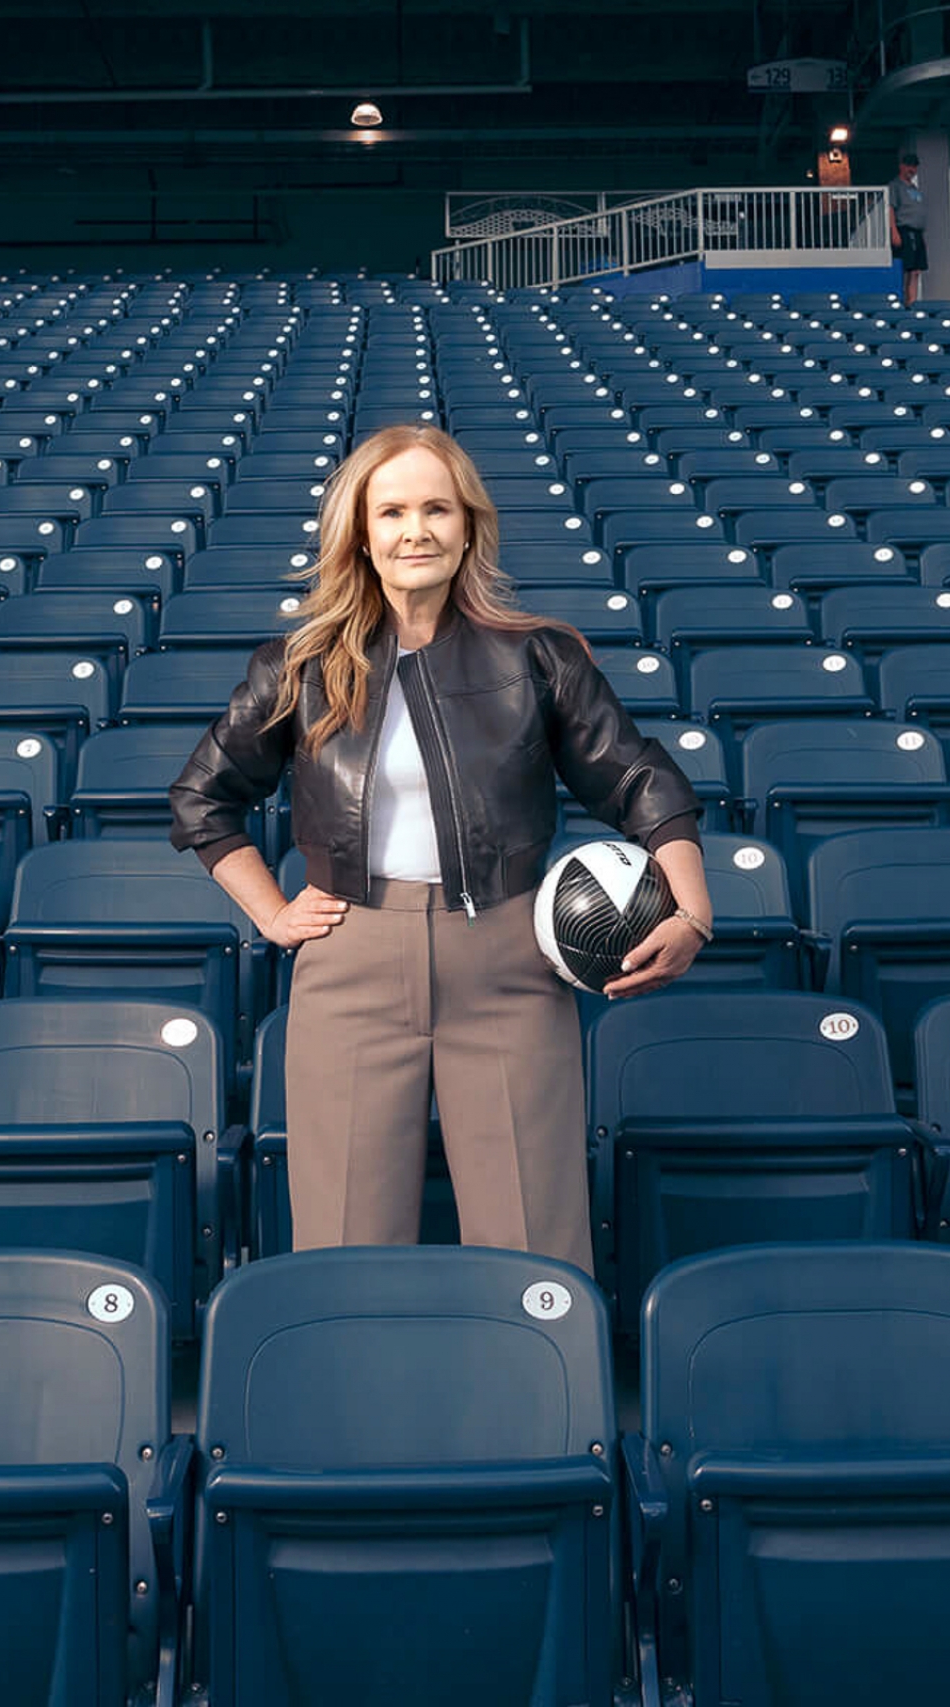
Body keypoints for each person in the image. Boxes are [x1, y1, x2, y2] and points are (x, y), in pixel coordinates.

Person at [168, 425, 711, 1271]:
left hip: (509, 962)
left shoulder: (540, 654)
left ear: (467, 527)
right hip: (351, 961)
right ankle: (360, 1404)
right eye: (392, 510)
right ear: (361, 531)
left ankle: (542, 1404)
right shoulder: (299, 663)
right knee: (345, 1243)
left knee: (535, 1240)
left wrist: (693, 911)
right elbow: (203, 797)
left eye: (435, 507)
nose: (414, 529)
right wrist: (272, 914)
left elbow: (640, 779)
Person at [889, 151, 928, 305]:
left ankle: (913, 302)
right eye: (909, 166)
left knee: (916, 270)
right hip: (904, 229)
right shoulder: (895, 186)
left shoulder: (914, 189)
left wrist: (923, 237)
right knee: (907, 268)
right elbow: (890, 208)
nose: (911, 170)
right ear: (902, 166)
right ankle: (904, 301)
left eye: (914, 167)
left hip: (918, 232)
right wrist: (894, 231)